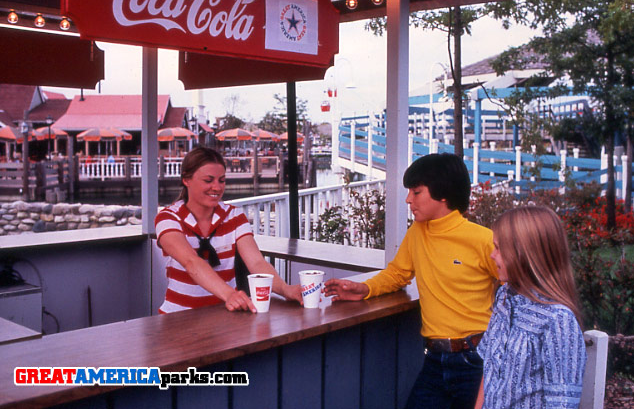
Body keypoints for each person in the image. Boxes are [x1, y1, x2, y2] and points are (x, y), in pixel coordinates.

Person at [323, 153, 499, 409]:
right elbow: (398, 273)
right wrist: (365, 288)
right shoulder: (418, 232)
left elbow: (517, 287)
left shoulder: (482, 239)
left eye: (416, 192)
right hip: (434, 360)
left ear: (443, 195)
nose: (408, 200)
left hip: (476, 361)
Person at [155, 146, 302, 314]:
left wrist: (285, 289)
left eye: (222, 180)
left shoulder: (234, 216)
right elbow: (191, 262)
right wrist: (230, 295)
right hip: (178, 317)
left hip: (225, 316)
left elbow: (256, 262)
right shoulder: (168, 218)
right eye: (208, 180)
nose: (217, 188)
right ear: (186, 180)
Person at [475, 206, 587, 409]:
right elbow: (489, 369)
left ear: (524, 254)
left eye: (498, 248)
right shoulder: (504, 297)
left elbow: (561, 404)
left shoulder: (558, 321)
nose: (492, 255)